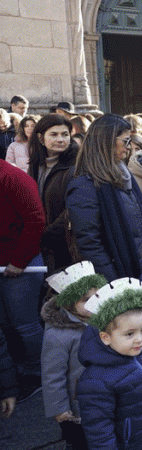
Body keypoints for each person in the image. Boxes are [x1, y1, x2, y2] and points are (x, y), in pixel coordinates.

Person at [76, 278, 142, 450]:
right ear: (106, 337)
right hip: (130, 445)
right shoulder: (95, 380)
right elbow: (99, 427)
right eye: (129, 334)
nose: (140, 339)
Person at [67, 114, 142, 280]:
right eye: (125, 141)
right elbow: (90, 242)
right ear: (106, 141)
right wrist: (114, 281)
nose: (129, 147)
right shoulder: (84, 184)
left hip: (138, 267)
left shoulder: (124, 173)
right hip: (117, 276)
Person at [41, 262, 106, 450]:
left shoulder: (101, 318)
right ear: (69, 303)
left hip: (103, 391)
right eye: (86, 300)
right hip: (79, 399)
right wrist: (59, 409)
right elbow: (52, 375)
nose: (94, 303)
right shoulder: (58, 335)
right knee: (82, 440)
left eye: (97, 296)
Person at [0, 156, 46, 400]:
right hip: (4, 264)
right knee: (6, 324)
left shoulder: (14, 178)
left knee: (25, 324)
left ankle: (36, 374)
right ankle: (16, 372)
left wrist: (19, 260)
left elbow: (35, 220)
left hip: (22, 265)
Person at [27, 115, 79, 271]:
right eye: (54, 134)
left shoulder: (76, 165)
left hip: (67, 243)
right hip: (43, 244)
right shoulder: (37, 164)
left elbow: (73, 207)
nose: (61, 139)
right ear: (41, 138)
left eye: (65, 134)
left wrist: (46, 235)